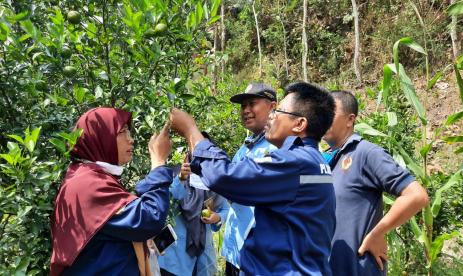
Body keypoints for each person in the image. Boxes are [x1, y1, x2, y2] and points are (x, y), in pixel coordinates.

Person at [170, 82, 337, 275]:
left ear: (299, 124)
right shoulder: (313, 159)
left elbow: (227, 177)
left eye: (279, 112)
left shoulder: (294, 161)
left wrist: (191, 130)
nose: (272, 117)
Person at [50, 107, 172, 276]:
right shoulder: (87, 185)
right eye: (123, 132)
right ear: (101, 137)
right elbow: (149, 218)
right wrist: (158, 162)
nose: (131, 140)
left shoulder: (94, 177)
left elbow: (130, 216)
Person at [322, 91, 429, 275]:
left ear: (350, 119)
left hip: (358, 268)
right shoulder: (324, 160)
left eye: (330, 113)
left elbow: (416, 196)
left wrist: (378, 233)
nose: (323, 118)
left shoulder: (366, 153)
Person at [221, 83, 277, 276]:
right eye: (243, 106)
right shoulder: (245, 147)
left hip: (257, 257)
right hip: (234, 251)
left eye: (252, 103)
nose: (246, 110)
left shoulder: (280, 148)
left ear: (272, 107)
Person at [158, 133, 230, 276]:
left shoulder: (213, 182)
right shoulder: (173, 174)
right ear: (188, 152)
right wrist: (181, 179)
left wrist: (217, 217)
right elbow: (165, 202)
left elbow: (226, 208)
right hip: (174, 254)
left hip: (203, 254)